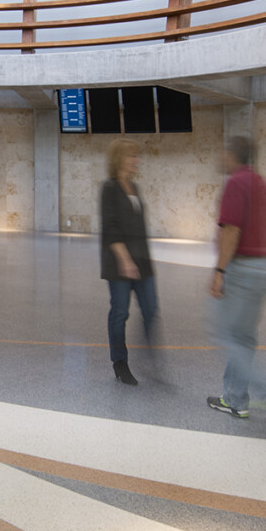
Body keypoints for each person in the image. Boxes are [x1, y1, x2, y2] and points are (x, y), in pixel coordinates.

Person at [207, 135, 266, 420]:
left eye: (223, 152)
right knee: (244, 338)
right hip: (264, 267)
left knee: (224, 335)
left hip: (242, 270)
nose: (220, 157)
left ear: (232, 154)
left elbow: (231, 230)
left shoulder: (236, 183)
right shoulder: (261, 183)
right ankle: (235, 399)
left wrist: (220, 271)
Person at [99, 138, 156, 386]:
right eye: (131, 155)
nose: (136, 160)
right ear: (119, 159)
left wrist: (141, 260)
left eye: (136, 155)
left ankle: (151, 359)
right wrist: (124, 259)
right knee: (120, 312)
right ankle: (120, 362)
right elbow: (110, 227)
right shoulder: (109, 188)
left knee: (151, 309)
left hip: (142, 260)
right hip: (119, 262)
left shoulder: (135, 187)